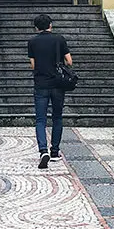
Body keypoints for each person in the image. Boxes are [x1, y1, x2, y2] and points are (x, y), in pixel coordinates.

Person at [28, 13, 73, 169]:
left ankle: (42, 151)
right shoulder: (59, 39)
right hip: (58, 84)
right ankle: (54, 151)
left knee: (40, 120)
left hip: (41, 84)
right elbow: (69, 61)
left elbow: (33, 65)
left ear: (36, 27)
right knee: (57, 117)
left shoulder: (32, 42)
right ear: (50, 25)